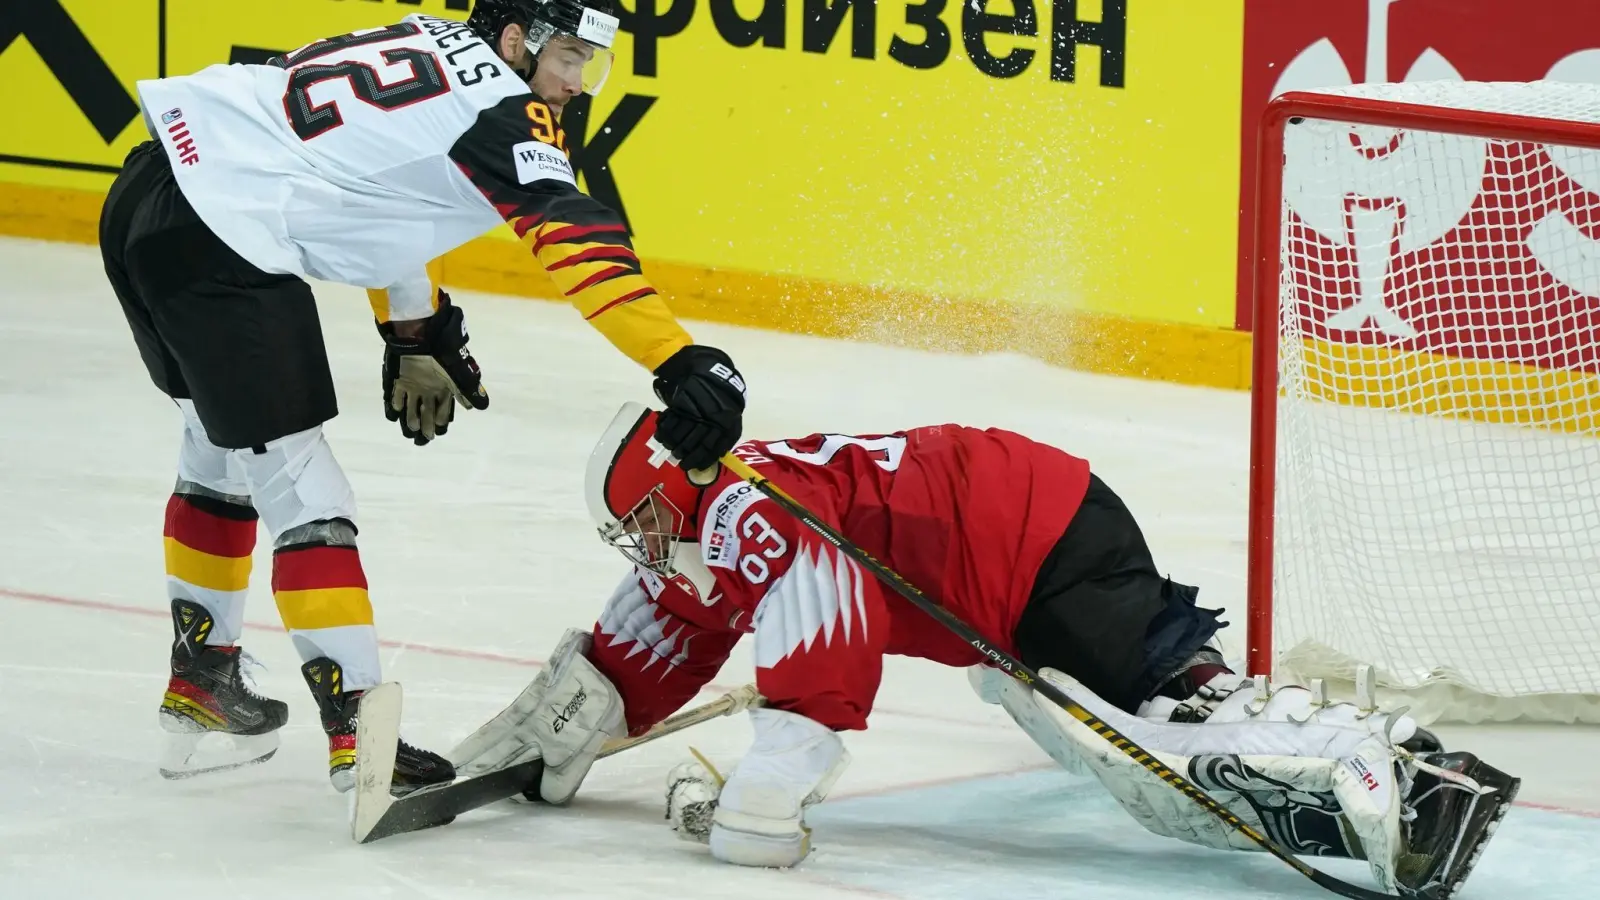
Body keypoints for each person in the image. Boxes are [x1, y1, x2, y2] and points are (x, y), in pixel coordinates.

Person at [451, 403, 1519, 899]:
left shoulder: (744, 513)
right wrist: (574, 721)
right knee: (1133, 711)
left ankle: (1399, 773)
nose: (638, 545)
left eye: (638, 519)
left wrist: (761, 808)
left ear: (667, 491)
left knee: (1161, 713)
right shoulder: (726, 515)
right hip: (1023, 510)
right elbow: (680, 622)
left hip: (1024, 539)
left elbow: (831, 615)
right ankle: (1387, 769)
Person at [99, 0, 747, 791]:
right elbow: (578, 240)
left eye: (589, 64)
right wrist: (679, 358)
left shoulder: (422, 34)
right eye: (570, 58)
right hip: (220, 241)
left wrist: (414, 328)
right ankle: (358, 739)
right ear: (516, 42)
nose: (578, 84)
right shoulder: (507, 112)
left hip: (145, 195)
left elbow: (371, 185)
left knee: (218, 450)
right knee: (305, 489)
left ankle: (202, 683)